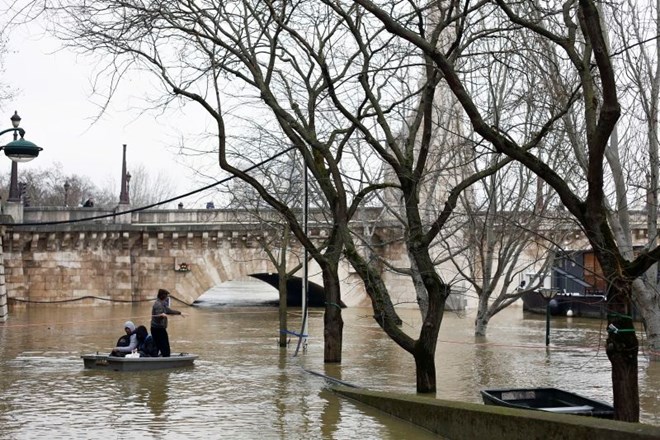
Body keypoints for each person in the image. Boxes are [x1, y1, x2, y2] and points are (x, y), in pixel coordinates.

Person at [151, 288, 184, 357]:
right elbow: (157, 318)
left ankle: (156, 356)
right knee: (164, 345)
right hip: (158, 329)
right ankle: (165, 358)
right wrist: (162, 316)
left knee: (158, 344)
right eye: (166, 296)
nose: (167, 297)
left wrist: (179, 313)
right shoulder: (158, 304)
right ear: (162, 296)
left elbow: (169, 311)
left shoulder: (162, 304)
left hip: (159, 328)